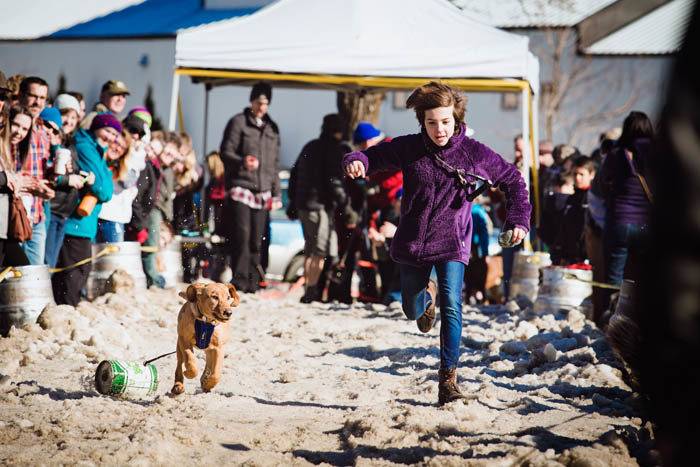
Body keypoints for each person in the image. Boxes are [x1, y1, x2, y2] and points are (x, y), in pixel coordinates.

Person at [343, 81, 530, 405]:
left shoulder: (474, 153)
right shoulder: (410, 147)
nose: (439, 129)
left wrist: (518, 220)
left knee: (454, 306)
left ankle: (448, 381)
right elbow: (371, 156)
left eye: (445, 122)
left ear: (456, 119)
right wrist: (355, 160)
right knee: (411, 308)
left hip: (453, 240)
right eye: (431, 123)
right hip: (414, 240)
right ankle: (424, 299)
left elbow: (513, 180)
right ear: (422, 122)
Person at [219, 82, 281, 293]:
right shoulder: (238, 123)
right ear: (252, 101)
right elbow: (225, 152)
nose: (262, 107)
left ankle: (254, 281)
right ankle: (239, 280)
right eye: (259, 102)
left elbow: (274, 163)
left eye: (266, 103)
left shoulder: (273, 128)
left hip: (263, 190)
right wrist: (242, 161)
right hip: (241, 186)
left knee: (258, 239)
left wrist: (277, 192)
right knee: (242, 236)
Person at [52, 114, 116, 306]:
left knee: (80, 270)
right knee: (74, 272)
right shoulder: (86, 147)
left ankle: (68, 307)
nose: (110, 137)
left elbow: (107, 187)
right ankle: (66, 309)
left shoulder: (97, 150)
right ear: (96, 127)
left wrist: (102, 186)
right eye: (107, 130)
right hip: (75, 223)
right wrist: (101, 187)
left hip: (84, 224)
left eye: (114, 134)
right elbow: (104, 191)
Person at [288, 114, 349, 303]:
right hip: (319, 206)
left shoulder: (310, 145)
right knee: (319, 252)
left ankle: (309, 288)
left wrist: (294, 201)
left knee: (310, 250)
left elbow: (294, 173)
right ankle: (311, 291)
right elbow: (334, 181)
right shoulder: (333, 149)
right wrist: (345, 205)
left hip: (304, 206)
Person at [599, 111, 653, 305]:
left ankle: (613, 322)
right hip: (647, 225)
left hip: (619, 221)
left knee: (614, 279)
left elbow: (603, 181)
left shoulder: (616, 154)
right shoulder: (659, 153)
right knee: (645, 278)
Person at [17, 77, 55, 264]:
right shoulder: (12, 127)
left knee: (34, 275)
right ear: (21, 95)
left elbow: (45, 171)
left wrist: (54, 178)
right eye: (33, 96)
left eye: (42, 98)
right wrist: (34, 185)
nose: (37, 102)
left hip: (37, 213)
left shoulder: (43, 130)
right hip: (15, 213)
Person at [551, 156, 596, 265]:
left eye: (581, 174)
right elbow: (564, 228)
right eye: (575, 174)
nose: (577, 178)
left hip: (589, 257)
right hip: (571, 257)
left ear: (592, 175)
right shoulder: (571, 198)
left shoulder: (595, 199)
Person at [97, 129, 139, 243]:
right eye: (116, 143)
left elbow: (127, 183)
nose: (117, 148)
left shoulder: (127, 166)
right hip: (94, 215)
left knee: (112, 259)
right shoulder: (98, 158)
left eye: (122, 147)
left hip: (114, 219)